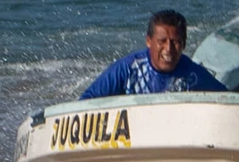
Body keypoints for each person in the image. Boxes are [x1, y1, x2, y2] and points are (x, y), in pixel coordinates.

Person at [79, 10, 226, 98]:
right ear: (149, 41)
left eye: (175, 42)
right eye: (162, 41)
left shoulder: (192, 75)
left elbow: (226, 99)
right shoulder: (128, 69)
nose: (168, 49)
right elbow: (88, 99)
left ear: (184, 44)